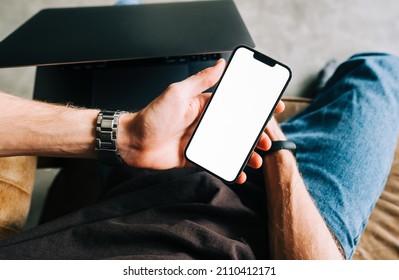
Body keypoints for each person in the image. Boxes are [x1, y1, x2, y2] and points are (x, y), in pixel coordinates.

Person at [0, 53, 398, 260]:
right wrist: (277, 148)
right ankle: (320, 93)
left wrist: (129, 136)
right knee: (379, 70)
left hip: (158, 179)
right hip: (291, 232)